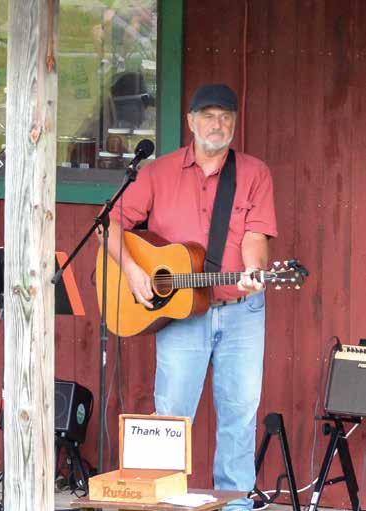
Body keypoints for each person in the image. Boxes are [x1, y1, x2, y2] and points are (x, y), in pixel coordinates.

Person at [104, 84, 277, 511]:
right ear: (191, 122)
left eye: (226, 117)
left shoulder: (254, 173)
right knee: (172, 415)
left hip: (240, 311)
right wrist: (134, 271)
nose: (217, 125)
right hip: (181, 312)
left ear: (234, 123)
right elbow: (111, 224)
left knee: (239, 414)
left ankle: (235, 504)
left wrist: (254, 271)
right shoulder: (157, 173)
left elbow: (255, 235)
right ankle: (164, 501)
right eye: (209, 116)